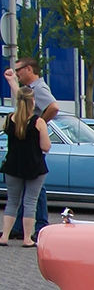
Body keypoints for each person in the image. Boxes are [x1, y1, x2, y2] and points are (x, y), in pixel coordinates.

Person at [6, 60, 57, 237]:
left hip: (32, 148)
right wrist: (12, 82)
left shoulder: (39, 88)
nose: (17, 72)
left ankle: (38, 225)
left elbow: (54, 107)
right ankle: (22, 228)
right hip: (30, 149)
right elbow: (23, 100)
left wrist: (39, 123)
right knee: (30, 190)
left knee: (35, 192)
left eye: (19, 70)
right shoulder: (29, 89)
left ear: (29, 69)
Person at [0, 85, 51, 247]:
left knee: (12, 202)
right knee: (30, 202)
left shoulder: (9, 119)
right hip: (35, 167)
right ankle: (27, 239)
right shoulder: (38, 122)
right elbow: (45, 146)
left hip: (13, 166)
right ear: (32, 102)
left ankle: (4, 236)